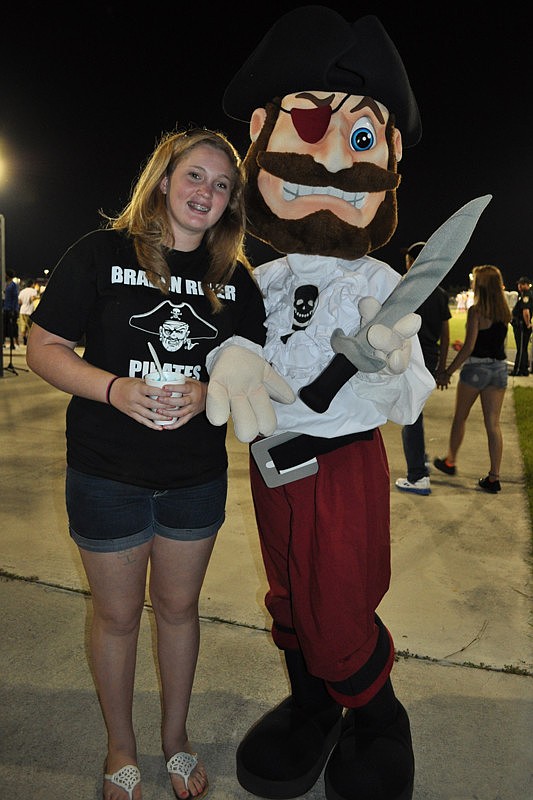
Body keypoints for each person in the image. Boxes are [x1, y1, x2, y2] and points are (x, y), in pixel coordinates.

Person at [211, 9, 442, 800]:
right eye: (305, 126)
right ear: (259, 136)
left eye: (359, 138)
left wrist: (383, 363)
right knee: (287, 591)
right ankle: (311, 707)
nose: (329, 159)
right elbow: (224, 338)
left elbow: (410, 397)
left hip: (341, 464)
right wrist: (227, 350)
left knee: (337, 599)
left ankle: (377, 716)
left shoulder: (381, 284)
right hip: (270, 461)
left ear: (391, 157)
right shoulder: (254, 277)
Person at [26, 127, 283, 800]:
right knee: (116, 617)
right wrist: (113, 387)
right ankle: (120, 747)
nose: (207, 192)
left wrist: (210, 392)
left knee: (178, 610)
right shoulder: (101, 254)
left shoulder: (235, 282)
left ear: (230, 204)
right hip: (106, 472)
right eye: (194, 176)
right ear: (164, 180)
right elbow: (44, 345)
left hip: (192, 479)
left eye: (221, 185)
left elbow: (257, 372)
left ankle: (175, 738)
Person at [433, 264, 511, 493]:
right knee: (493, 424)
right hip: (498, 369)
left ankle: (450, 461)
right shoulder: (504, 311)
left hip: (476, 368)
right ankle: (494, 477)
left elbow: (469, 348)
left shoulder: (476, 310)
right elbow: (495, 343)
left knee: (460, 417)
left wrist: (447, 372)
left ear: (482, 284)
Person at [395, 242, 451, 495]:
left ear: (414, 261)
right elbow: (446, 333)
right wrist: (442, 367)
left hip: (412, 359)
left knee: (411, 416)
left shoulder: (408, 288)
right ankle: (422, 461)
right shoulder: (438, 291)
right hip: (430, 358)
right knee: (416, 412)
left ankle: (418, 475)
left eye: (408, 260)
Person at [510, 276, 532, 376]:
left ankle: (518, 369)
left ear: (527, 285)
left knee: (521, 348)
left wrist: (527, 324)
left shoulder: (526, 295)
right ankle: (524, 369)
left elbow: (526, 311)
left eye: (522, 284)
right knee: (523, 348)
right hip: (521, 325)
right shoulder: (524, 294)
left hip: (522, 326)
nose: (519, 286)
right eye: (519, 284)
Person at [17, 278, 40, 344]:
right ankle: (30, 342)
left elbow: (19, 302)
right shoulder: (33, 291)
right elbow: (32, 298)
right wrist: (37, 297)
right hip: (29, 311)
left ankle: (24, 339)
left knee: (23, 327)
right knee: (30, 328)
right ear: (32, 284)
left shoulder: (22, 291)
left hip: (22, 311)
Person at [3, 269, 19, 349]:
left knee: (11, 327)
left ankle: (12, 343)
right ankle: (4, 342)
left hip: (11, 309)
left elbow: (15, 297)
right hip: (6, 308)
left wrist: (13, 309)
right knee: (4, 326)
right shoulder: (6, 284)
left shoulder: (13, 285)